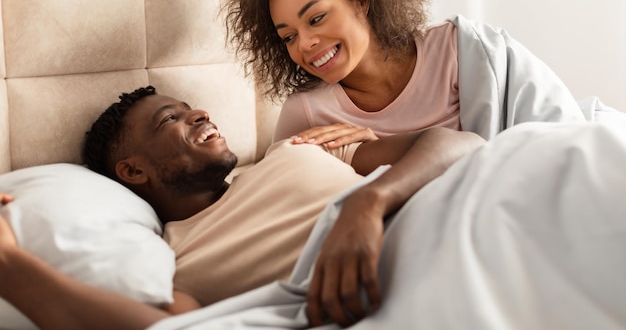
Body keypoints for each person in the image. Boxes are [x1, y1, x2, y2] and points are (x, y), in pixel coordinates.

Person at [0, 85, 484, 330]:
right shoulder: (175, 261)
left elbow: (456, 143)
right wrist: (9, 265)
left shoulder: (297, 149)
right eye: (172, 118)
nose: (201, 113)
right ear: (132, 172)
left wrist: (369, 201)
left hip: (469, 211)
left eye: (192, 106)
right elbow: (161, 328)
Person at [223, 0, 588, 149]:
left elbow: (558, 134)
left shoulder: (462, 50)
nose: (304, 44)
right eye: (287, 37)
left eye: (316, 18)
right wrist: (372, 157)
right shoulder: (307, 112)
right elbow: (281, 191)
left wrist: (385, 145)